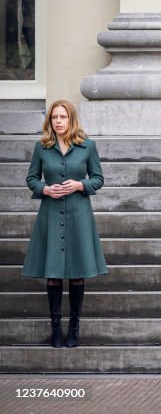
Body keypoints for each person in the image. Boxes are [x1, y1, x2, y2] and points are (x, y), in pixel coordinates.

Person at [22, 100, 108, 349]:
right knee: (53, 276)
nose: (58, 121)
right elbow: (31, 178)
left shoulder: (87, 146)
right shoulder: (42, 147)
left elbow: (98, 178)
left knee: (78, 275)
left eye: (63, 117)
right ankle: (56, 329)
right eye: (54, 118)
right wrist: (45, 189)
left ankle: (74, 328)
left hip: (79, 215)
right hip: (50, 215)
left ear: (71, 120)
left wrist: (80, 185)